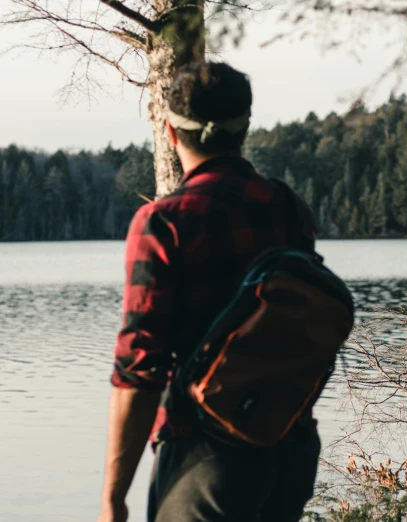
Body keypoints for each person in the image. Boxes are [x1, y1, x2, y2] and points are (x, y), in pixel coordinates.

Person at [97, 61, 321, 522]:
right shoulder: (287, 207)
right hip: (289, 451)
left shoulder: (163, 224)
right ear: (244, 130)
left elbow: (140, 371)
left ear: (170, 132)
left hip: (207, 460)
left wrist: (113, 498)